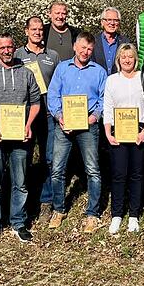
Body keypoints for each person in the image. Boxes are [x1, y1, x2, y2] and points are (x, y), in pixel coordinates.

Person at [0, 33, 41, 243]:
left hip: (21, 136)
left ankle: (18, 222)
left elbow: (35, 102)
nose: (6, 51)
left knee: (21, 182)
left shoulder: (26, 73)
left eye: (10, 47)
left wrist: (28, 124)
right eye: (2, 47)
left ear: (14, 48)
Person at [47, 32, 108, 232]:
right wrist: (59, 117)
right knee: (57, 169)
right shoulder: (62, 68)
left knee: (93, 170)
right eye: (82, 47)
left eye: (89, 49)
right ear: (75, 47)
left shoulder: (99, 72)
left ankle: (92, 214)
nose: (85, 52)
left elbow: (103, 99)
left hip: (89, 124)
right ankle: (58, 209)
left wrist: (95, 117)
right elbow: (53, 95)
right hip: (64, 125)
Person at [14, 17, 60, 222]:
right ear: (26, 31)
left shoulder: (53, 55)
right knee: (23, 160)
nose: (38, 33)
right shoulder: (17, 55)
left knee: (49, 159)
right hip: (25, 117)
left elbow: (58, 85)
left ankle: (46, 202)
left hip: (48, 114)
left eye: (41, 29)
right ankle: (24, 203)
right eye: (34, 29)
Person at [102, 43, 144, 234]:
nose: (127, 60)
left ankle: (133, 215)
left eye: (130, 56)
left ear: (135, 59)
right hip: (118, 132)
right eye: (124, 57)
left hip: (139, 131)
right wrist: (108, 132)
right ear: (118, 60)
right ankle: (116, 214)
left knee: (137, 174)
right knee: (118, 174)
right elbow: (108, 107)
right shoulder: (112, 80)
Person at [92, 7, 130, 75]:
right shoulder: (93, 41)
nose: (112, 23)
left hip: (117, 81)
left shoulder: (125, 42)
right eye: (109, 20)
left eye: (115, 20)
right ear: (102, 22)